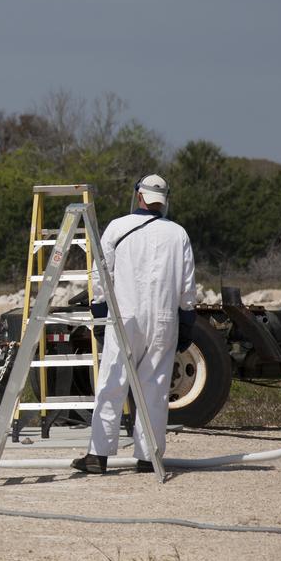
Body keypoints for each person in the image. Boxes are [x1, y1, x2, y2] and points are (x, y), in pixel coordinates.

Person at [72, 175, 196, 474]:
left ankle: (98, 455)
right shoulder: (178, 234)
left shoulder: (117, 227)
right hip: (164, 319)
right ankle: (148, 456)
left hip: (123, 314)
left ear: (139, 196)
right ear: (164, 200)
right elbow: (188, 287)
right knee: (155, 388)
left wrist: (99, 310)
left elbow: (100, 273)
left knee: (112, 383)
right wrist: (187, 322)